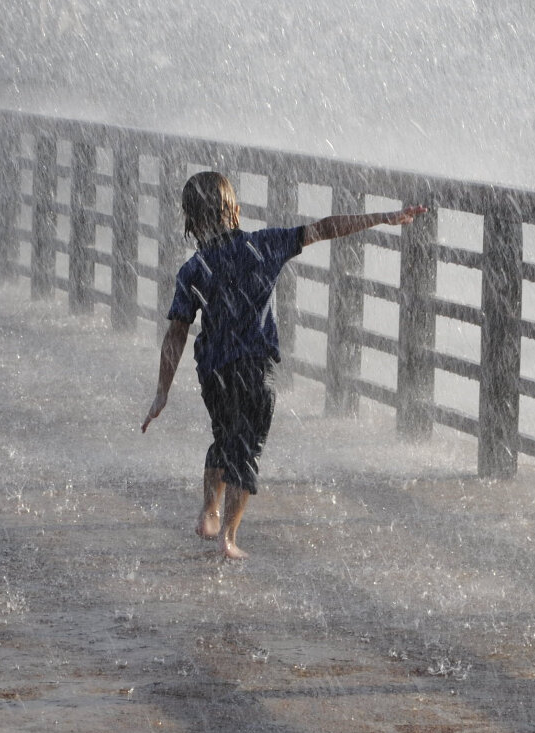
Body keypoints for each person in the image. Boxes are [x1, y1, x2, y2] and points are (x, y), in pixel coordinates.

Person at [142, 170, 427, 559]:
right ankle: (228, 536)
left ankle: (208, 510)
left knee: (225, 440)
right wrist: (382, 218)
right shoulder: (265, 245)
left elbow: (176, 333)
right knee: (247, 449)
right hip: (256, 371)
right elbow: (325, 228)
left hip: (214, 374)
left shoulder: (194, 269)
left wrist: (162, 391)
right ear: (237, 210)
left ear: (190, 221)